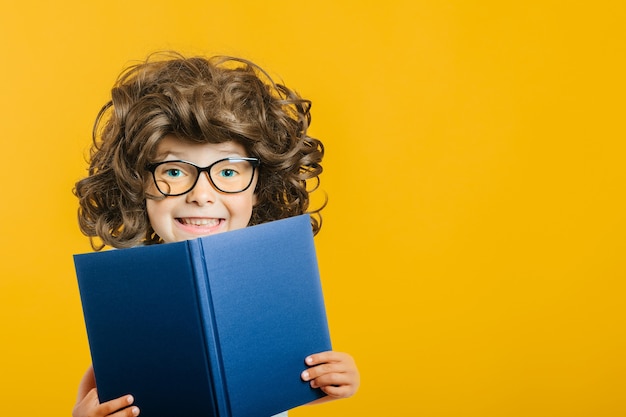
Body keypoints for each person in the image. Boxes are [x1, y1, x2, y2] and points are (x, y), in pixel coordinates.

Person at [72, 52, 360, 417]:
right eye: (174, 171)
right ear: (138, 183)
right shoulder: (123, 306)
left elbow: (297, 380)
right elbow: (98, 400)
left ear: (259, 186)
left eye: (227, 172)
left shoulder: (280, 287)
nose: (201, 194)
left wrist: (335, 377)